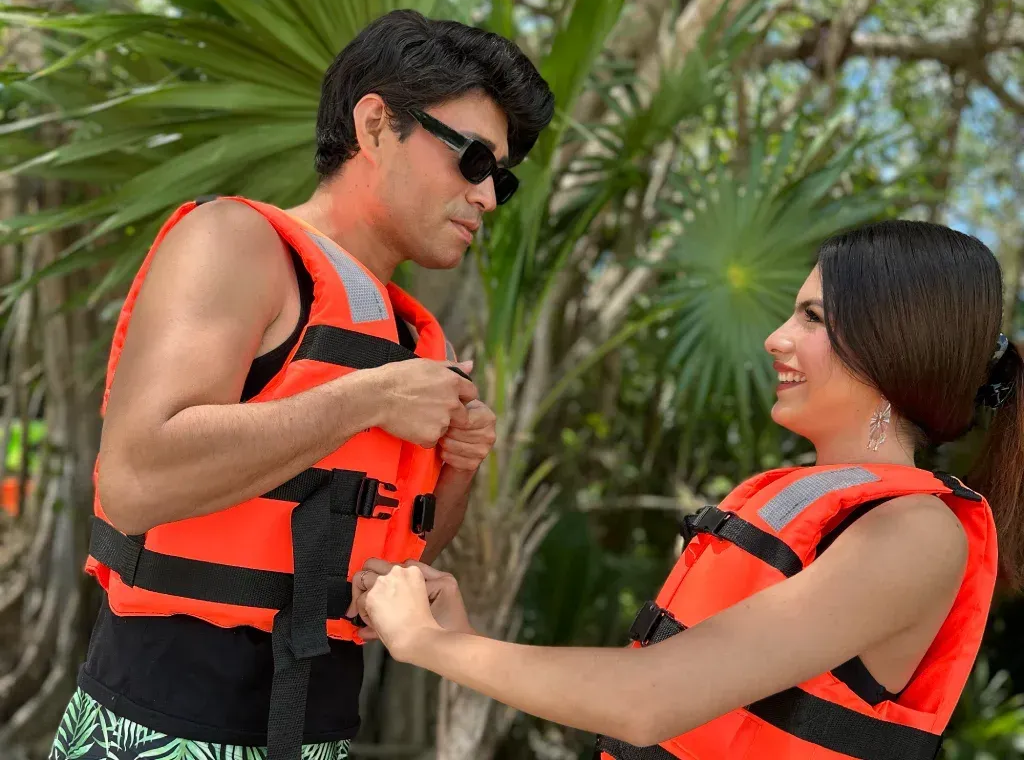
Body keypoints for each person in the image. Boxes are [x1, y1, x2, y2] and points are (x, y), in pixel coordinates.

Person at [49, 9, 554, 760]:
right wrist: (371, 398)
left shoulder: (410, 336)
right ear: (376, 124)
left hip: (319, 730)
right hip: (160, 723)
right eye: (473, 160)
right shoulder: (237, 243)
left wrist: (459, 467)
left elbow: (395, 548)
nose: (486, 196)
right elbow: (132, 480)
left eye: (501, 179)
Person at [351, 220, 1024, 760]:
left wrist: (432, 645)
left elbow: (648, 702)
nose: (776, 339)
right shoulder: (814, 501)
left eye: (812, 318)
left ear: (892, 342)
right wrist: (461, 633)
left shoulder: (916, 531)